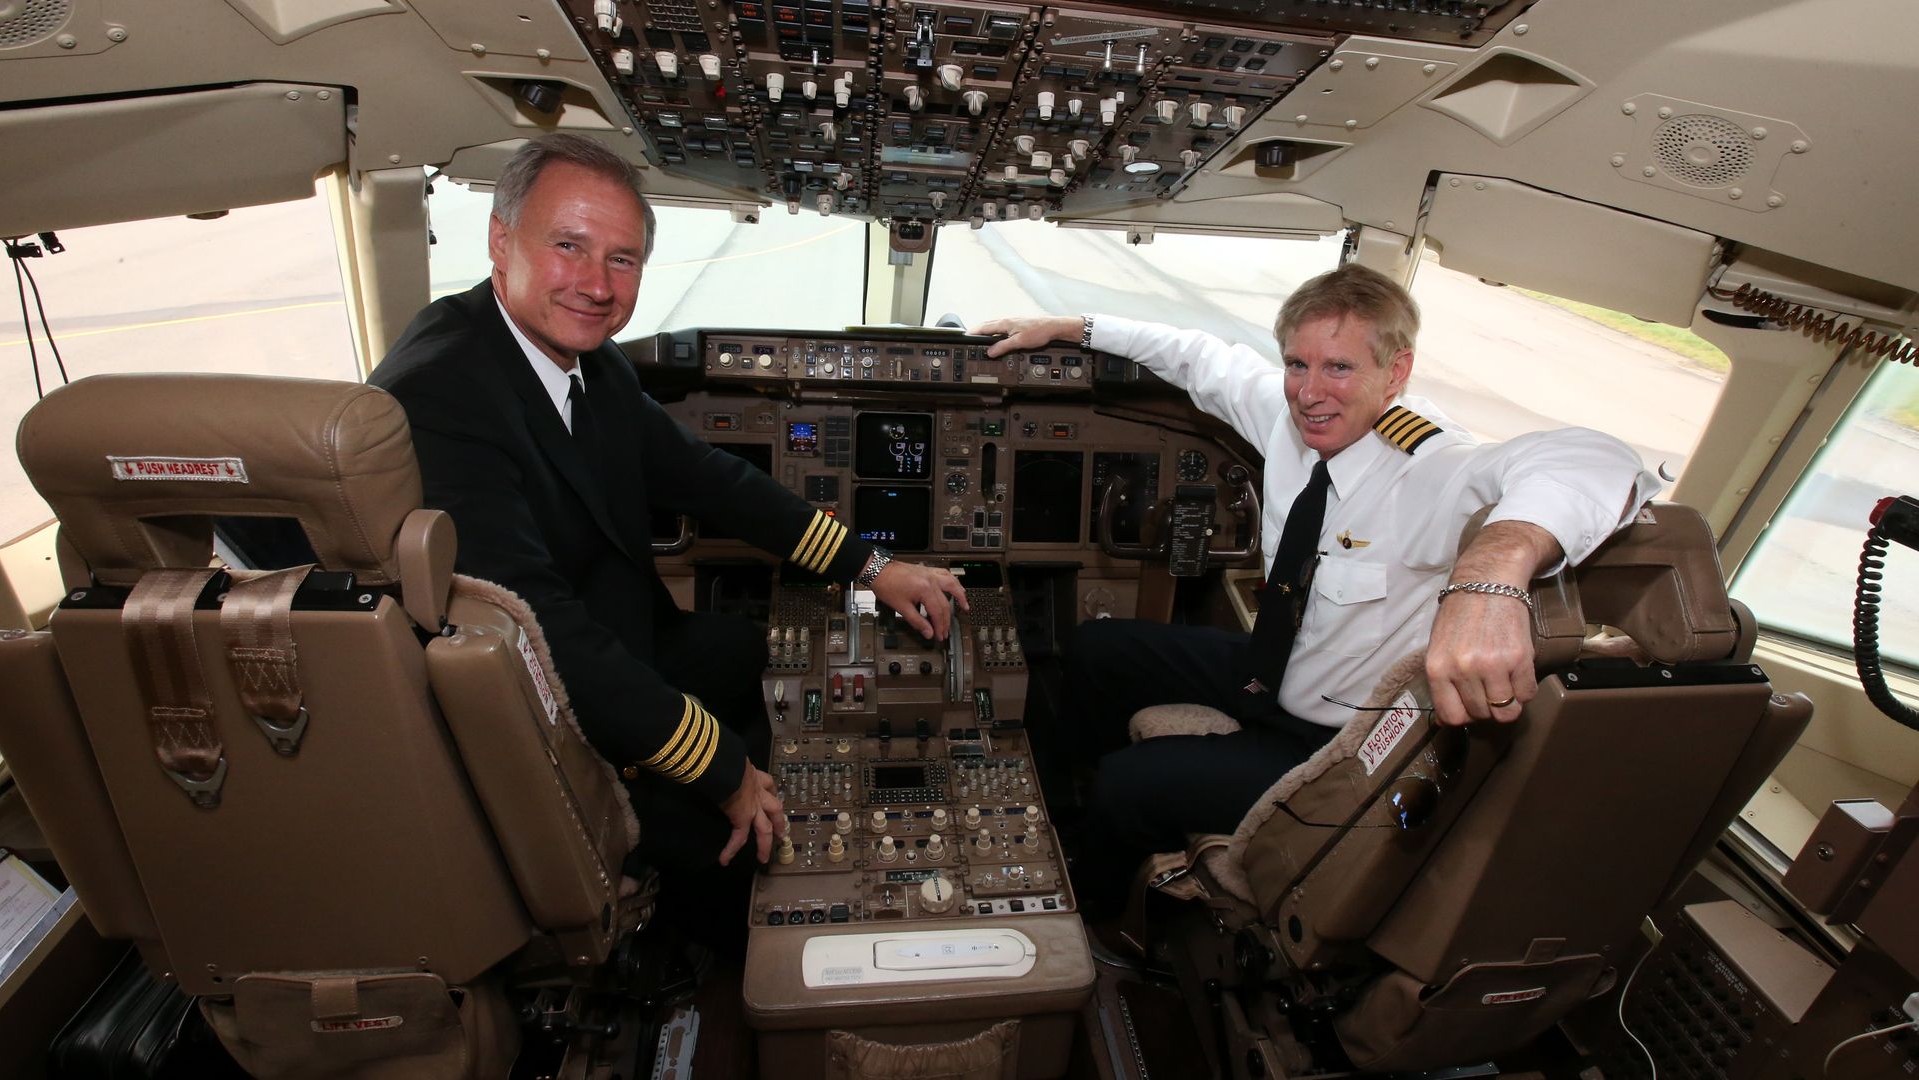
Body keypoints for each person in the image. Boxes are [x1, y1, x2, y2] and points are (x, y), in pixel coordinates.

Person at [369, 135, 966, 888]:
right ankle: (690, 938)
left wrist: (875, 569)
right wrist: (724, 772)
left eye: (622, 260)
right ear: (499, 238)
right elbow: (540, 629)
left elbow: (711, 479)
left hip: (619, 635)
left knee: (753, 656)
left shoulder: (583, 358)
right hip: (540, 709)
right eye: (569, 246)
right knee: (738, 856)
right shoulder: (440, 395)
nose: (596, 284)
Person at [977, 265, 1659, 910]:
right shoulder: (1290, 423)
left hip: (1330, 737)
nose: (1310, 391)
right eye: (1298, 364)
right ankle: (1064, 797)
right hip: (1272, 670)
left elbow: (1597, 459)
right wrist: (1072, 328)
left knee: (1132, 789)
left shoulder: (1431, 469)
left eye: (1339, 367)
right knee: (1098, 650)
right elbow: (1196, 356)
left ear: (1397, 371)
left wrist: (1491, 573)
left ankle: (1094, 910)